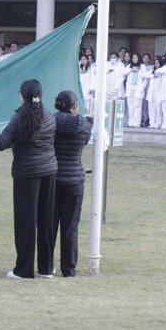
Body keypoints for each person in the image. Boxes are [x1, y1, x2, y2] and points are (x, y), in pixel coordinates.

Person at [0, 79, 58, 279]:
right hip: (49, 172)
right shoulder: (49, 116)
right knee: (46, 221)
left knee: (26, 223)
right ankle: (46, 269)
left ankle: (23, 269)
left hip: (26, 174)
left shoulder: (20, 117)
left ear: (22, 96)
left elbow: (1, 142)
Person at [52, 90, 92, 277]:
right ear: (75, 105)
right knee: (70, 227)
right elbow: (85, 139)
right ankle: (68, 268)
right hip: (74, 180)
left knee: (48, 225)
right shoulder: (83, 125)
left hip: (53, 178)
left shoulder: (50, 121)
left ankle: (47, 264)